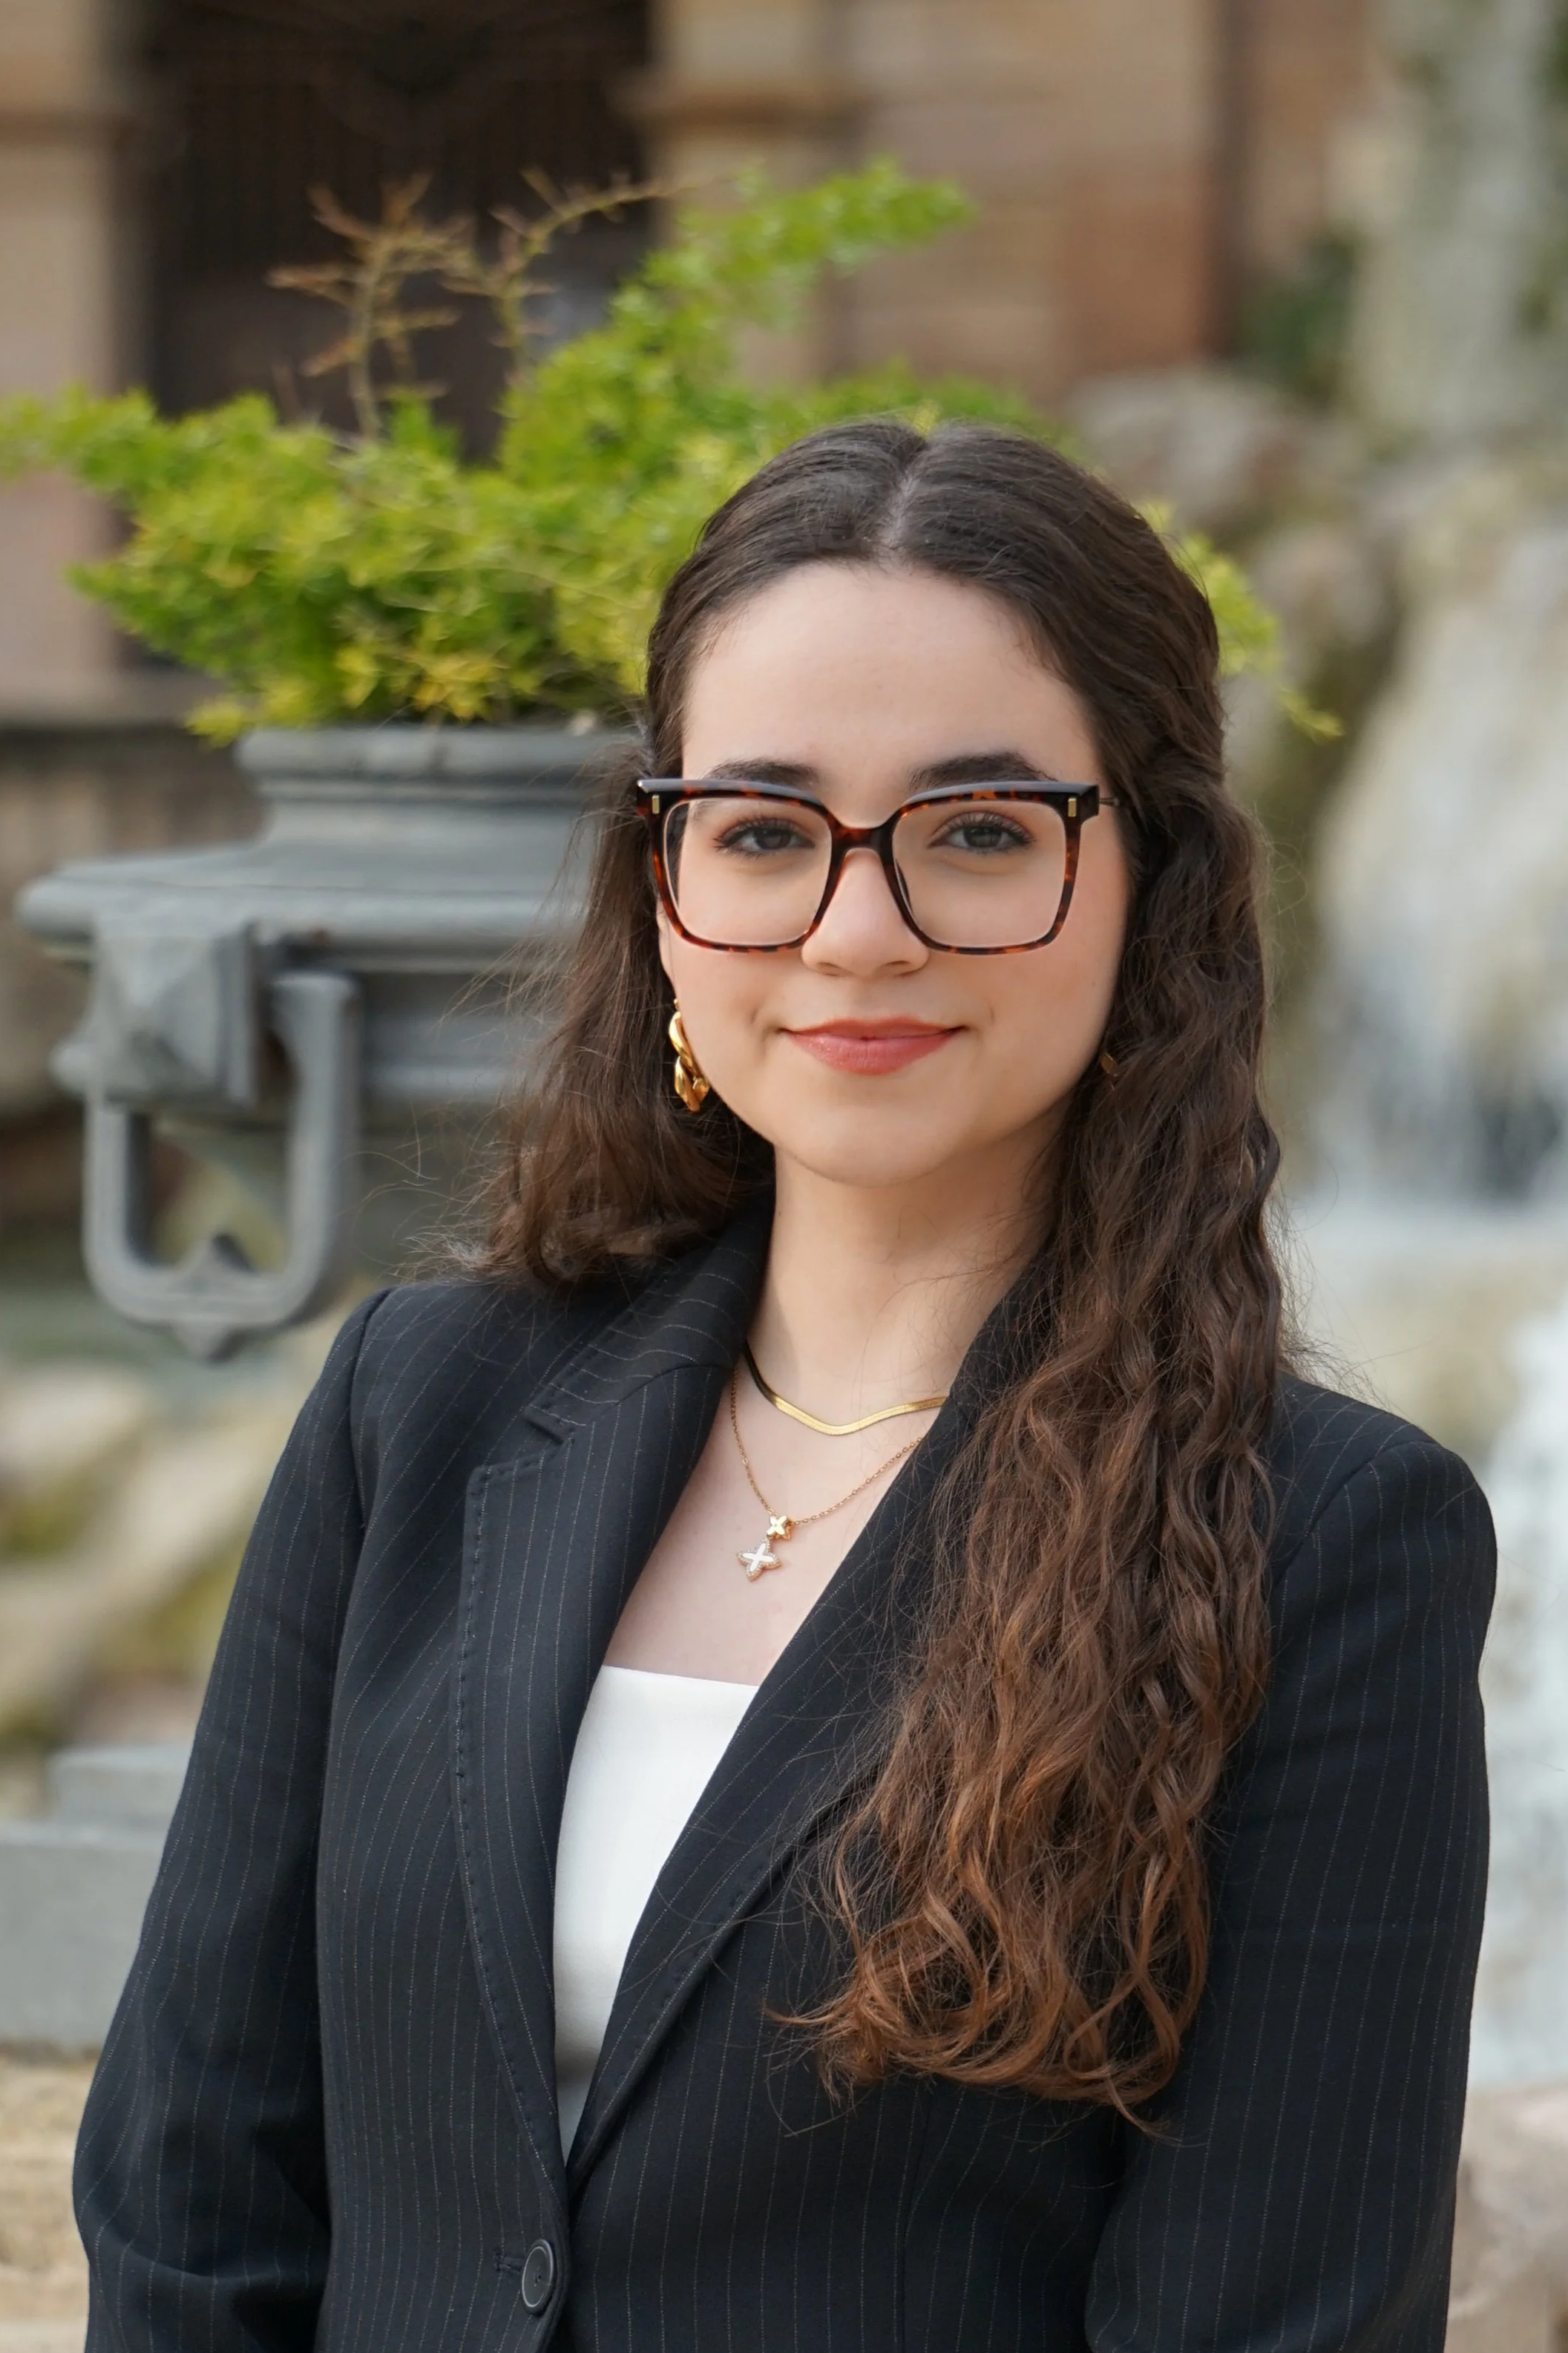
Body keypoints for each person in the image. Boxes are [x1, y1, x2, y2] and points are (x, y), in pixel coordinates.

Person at [75, 420, 1493, 2353]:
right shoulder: (422, 1407)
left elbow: (1279, 2321)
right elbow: (192, 2184)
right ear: (661, 882)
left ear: (1149, 876)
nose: (855, 931)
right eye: (762, 829)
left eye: (980, 831)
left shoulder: (1327, 1539)